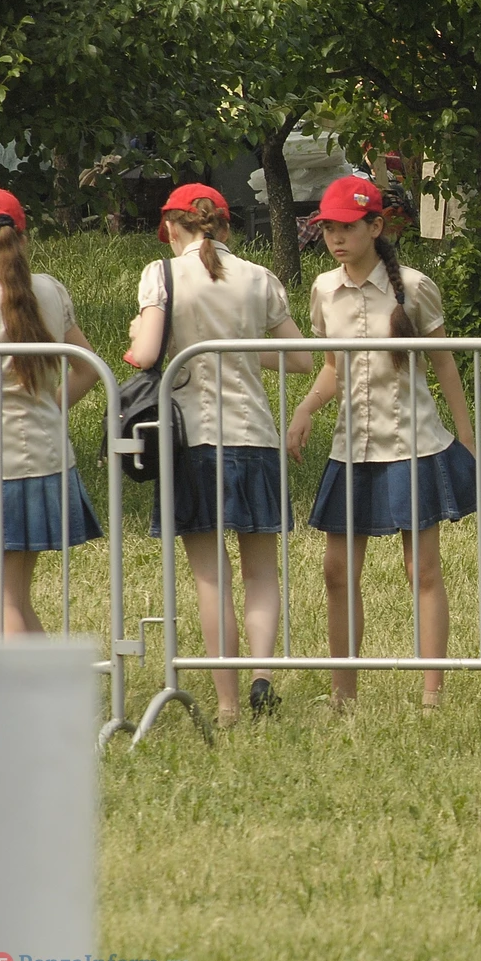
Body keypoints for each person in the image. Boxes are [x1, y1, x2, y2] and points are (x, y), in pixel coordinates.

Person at [285, 176, 481, 711]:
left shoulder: (413, 287)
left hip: (413, 446)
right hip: (351, 450)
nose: (336, 238)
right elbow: (333, 369)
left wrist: (466, 437)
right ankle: (342, 693)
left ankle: (432, 694)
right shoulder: (323, 290)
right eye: (328, 228)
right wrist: (305, 409)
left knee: (423, 570)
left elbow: (444, 364)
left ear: (375, 227)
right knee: (336, 572)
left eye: (347, 227)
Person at [126, 184, 314, 726]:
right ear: (226, 226)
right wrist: (243, 352)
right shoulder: (259, 277)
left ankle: (227, 704)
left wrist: (138, 334)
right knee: (261, 574)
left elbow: (145, 353)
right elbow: (300, 359)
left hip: (195, 440)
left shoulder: (161, 274)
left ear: (170, 226)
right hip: (255, 435)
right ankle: (262, 678)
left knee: (212, 578)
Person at [0, 187, 103, 638]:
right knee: (18, 597)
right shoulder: (50, 289)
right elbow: (89, 368)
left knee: (0, 596)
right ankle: (51, 684)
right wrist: (50, 407)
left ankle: (16, 686)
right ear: (22, 237)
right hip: (50, 456)